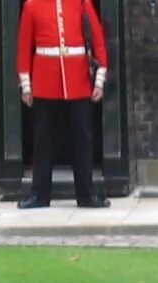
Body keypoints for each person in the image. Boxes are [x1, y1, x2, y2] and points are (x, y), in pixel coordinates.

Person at [16, 0, 111, 208]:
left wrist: (100, 77)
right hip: (45, 79)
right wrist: (26, 84)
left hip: (77, 78)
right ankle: (39, 195)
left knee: (82, 137)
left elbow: (97, 39)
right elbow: (24, 46)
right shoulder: (32, 6)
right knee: (43, 139)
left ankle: (87, 194)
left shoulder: (81, 3)